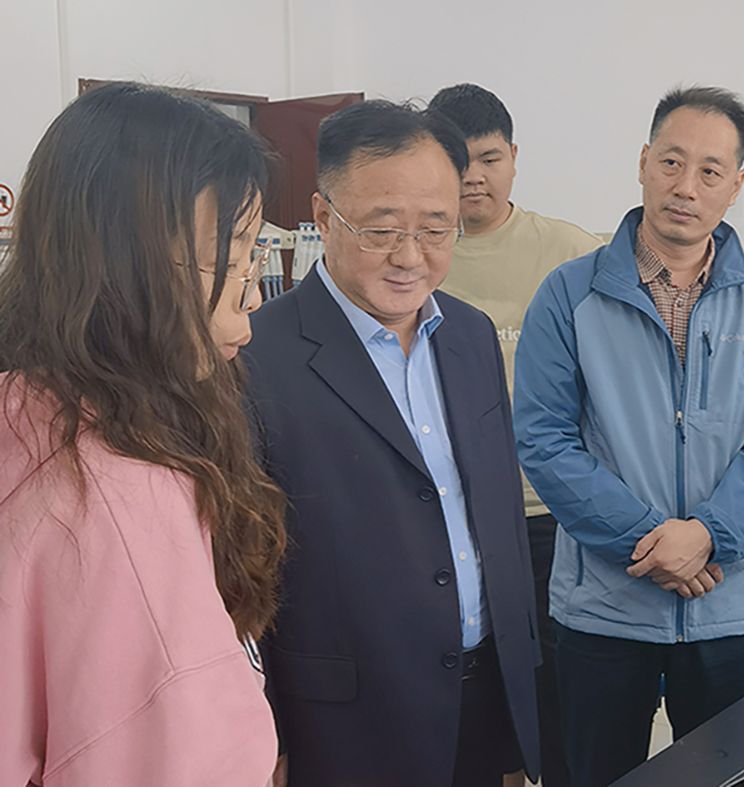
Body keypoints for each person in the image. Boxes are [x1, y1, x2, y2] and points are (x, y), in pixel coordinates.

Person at [513, 86, 744, 787]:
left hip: (724, 603)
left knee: (728, 778)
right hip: (604, 609)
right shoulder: (569, 294)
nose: (686, 186)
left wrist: (709, 535)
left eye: (710, 170)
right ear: (643, 162)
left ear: (736, 185)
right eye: (672, 162)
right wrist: (653, 542)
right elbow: (545, 437)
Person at [244, 100, 540, 787]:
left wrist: (519, 689)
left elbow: (497, 514)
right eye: (380, 230)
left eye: (436, 229)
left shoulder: (469, 334)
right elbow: (242, 567)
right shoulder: (257, 353)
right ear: (323, 217)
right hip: (345, 718)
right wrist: (268, 728)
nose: (410, 257)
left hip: (485, 692)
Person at [0, 82, 286, 786]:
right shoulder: (122, 491)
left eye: (254, 255)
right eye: (232, 255)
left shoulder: (27, 405)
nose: (252, 291)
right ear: (129, 263)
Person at [428, 82, 601, 787]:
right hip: (451, 515)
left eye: (490, 159)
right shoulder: (416, 255)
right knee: (473, 689)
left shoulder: (572, 252)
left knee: (559, 685)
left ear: (515, 157)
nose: (475, 177)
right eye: (459, 161)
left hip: (550, 511)